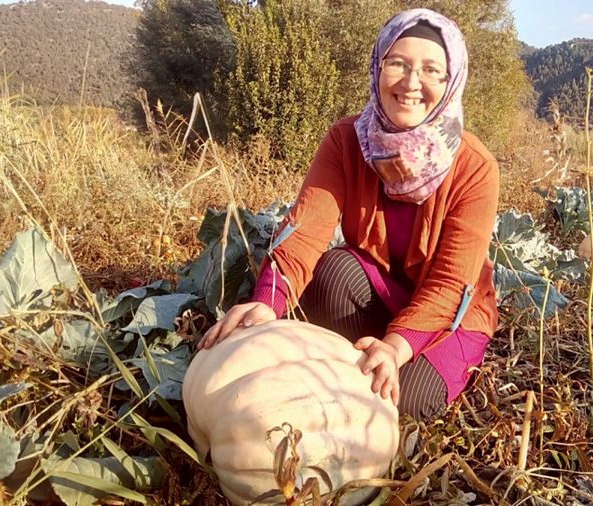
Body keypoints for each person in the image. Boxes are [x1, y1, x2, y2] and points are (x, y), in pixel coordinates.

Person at [198, 8, 499, 422]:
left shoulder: (475, 167)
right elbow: (305, 229)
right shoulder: (346, 140)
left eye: (432, 70)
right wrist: (268, 301)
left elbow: (451, 285)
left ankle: (377, 356)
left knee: (405, 401)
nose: (412, 83)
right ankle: (352, 361)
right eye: (398, 63)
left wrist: (395, 346)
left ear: (452, 82)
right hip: (381, 290)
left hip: (450, 318)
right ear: (377, 67)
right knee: (332, 274)